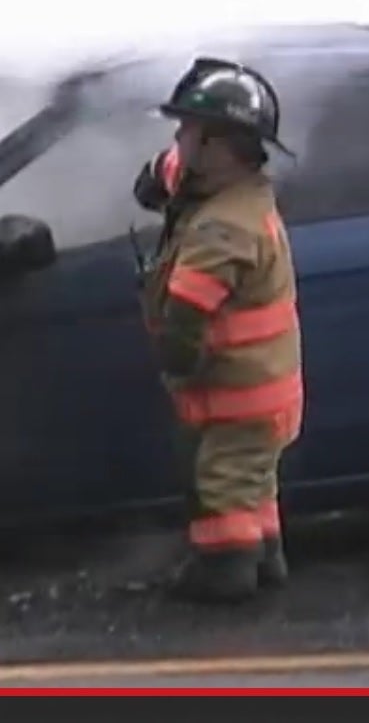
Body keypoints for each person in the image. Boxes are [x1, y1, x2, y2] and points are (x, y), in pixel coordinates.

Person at [132, 57, 304, 604]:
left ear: (220, 148)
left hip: (238, 392)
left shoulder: (225, 228)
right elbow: (163, 175)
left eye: (187, 129)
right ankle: (267, 557)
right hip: (264, 391)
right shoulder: (237, 190)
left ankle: (225, 572)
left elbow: (186, 313)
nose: (177, 137)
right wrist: (159, 179)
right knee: (253, 479)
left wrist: (175, 361)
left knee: (222, 483)